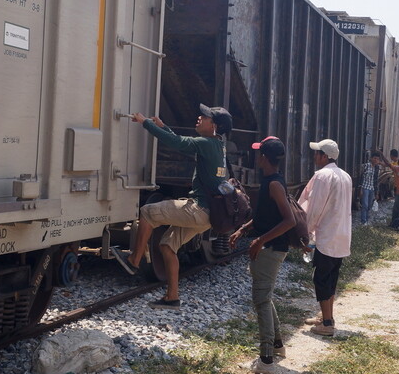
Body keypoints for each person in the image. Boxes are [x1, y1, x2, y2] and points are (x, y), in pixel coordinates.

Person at [111, 104, 232, 309]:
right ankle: (172, 297)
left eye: (205, 117)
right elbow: (181, 141)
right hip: (208, 216)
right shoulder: (217, 144)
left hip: (199, 210)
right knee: (167, 246)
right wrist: (164, 126)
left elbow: (178, 143)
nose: (199, 118)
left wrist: (146, 123)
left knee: (147, 212)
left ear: (214, 126)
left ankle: (134, 259)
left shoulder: (206, 143)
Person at [229, 137, 296, 374]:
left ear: (264, 158)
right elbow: (265, 216)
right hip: (270, 247)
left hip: (272, 249)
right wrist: (243, 229)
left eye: (259, 153)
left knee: (261, 300)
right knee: (265, 297)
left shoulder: (274, 184)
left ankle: (266, 360)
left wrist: (260, 240)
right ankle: (277, 346)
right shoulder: (270, 181)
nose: (256, 157)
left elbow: (290, 220)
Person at [298, 139, 352, 337]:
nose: (314, 156)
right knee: (331, 278)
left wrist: (305, 234)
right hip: (341, 236)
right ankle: (326, 316)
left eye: (317, 153)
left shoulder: (322, 176)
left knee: (321, 279)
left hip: (326, 237)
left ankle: (327, 324)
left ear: (324, 156)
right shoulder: (345, 176)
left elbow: (314, 209)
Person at [358, 151, 381, 225]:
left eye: (377, 159)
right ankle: (363, 221)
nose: (376, 160)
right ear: (371, 158)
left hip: (372, 188)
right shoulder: (366, 166)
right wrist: (360, 188)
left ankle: (367, 219)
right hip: (365, 187)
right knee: (365, 204)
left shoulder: (377, 168)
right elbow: (361, 177)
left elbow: (376, 181)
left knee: (369, 205)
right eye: (374, 158)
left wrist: (377, 192)